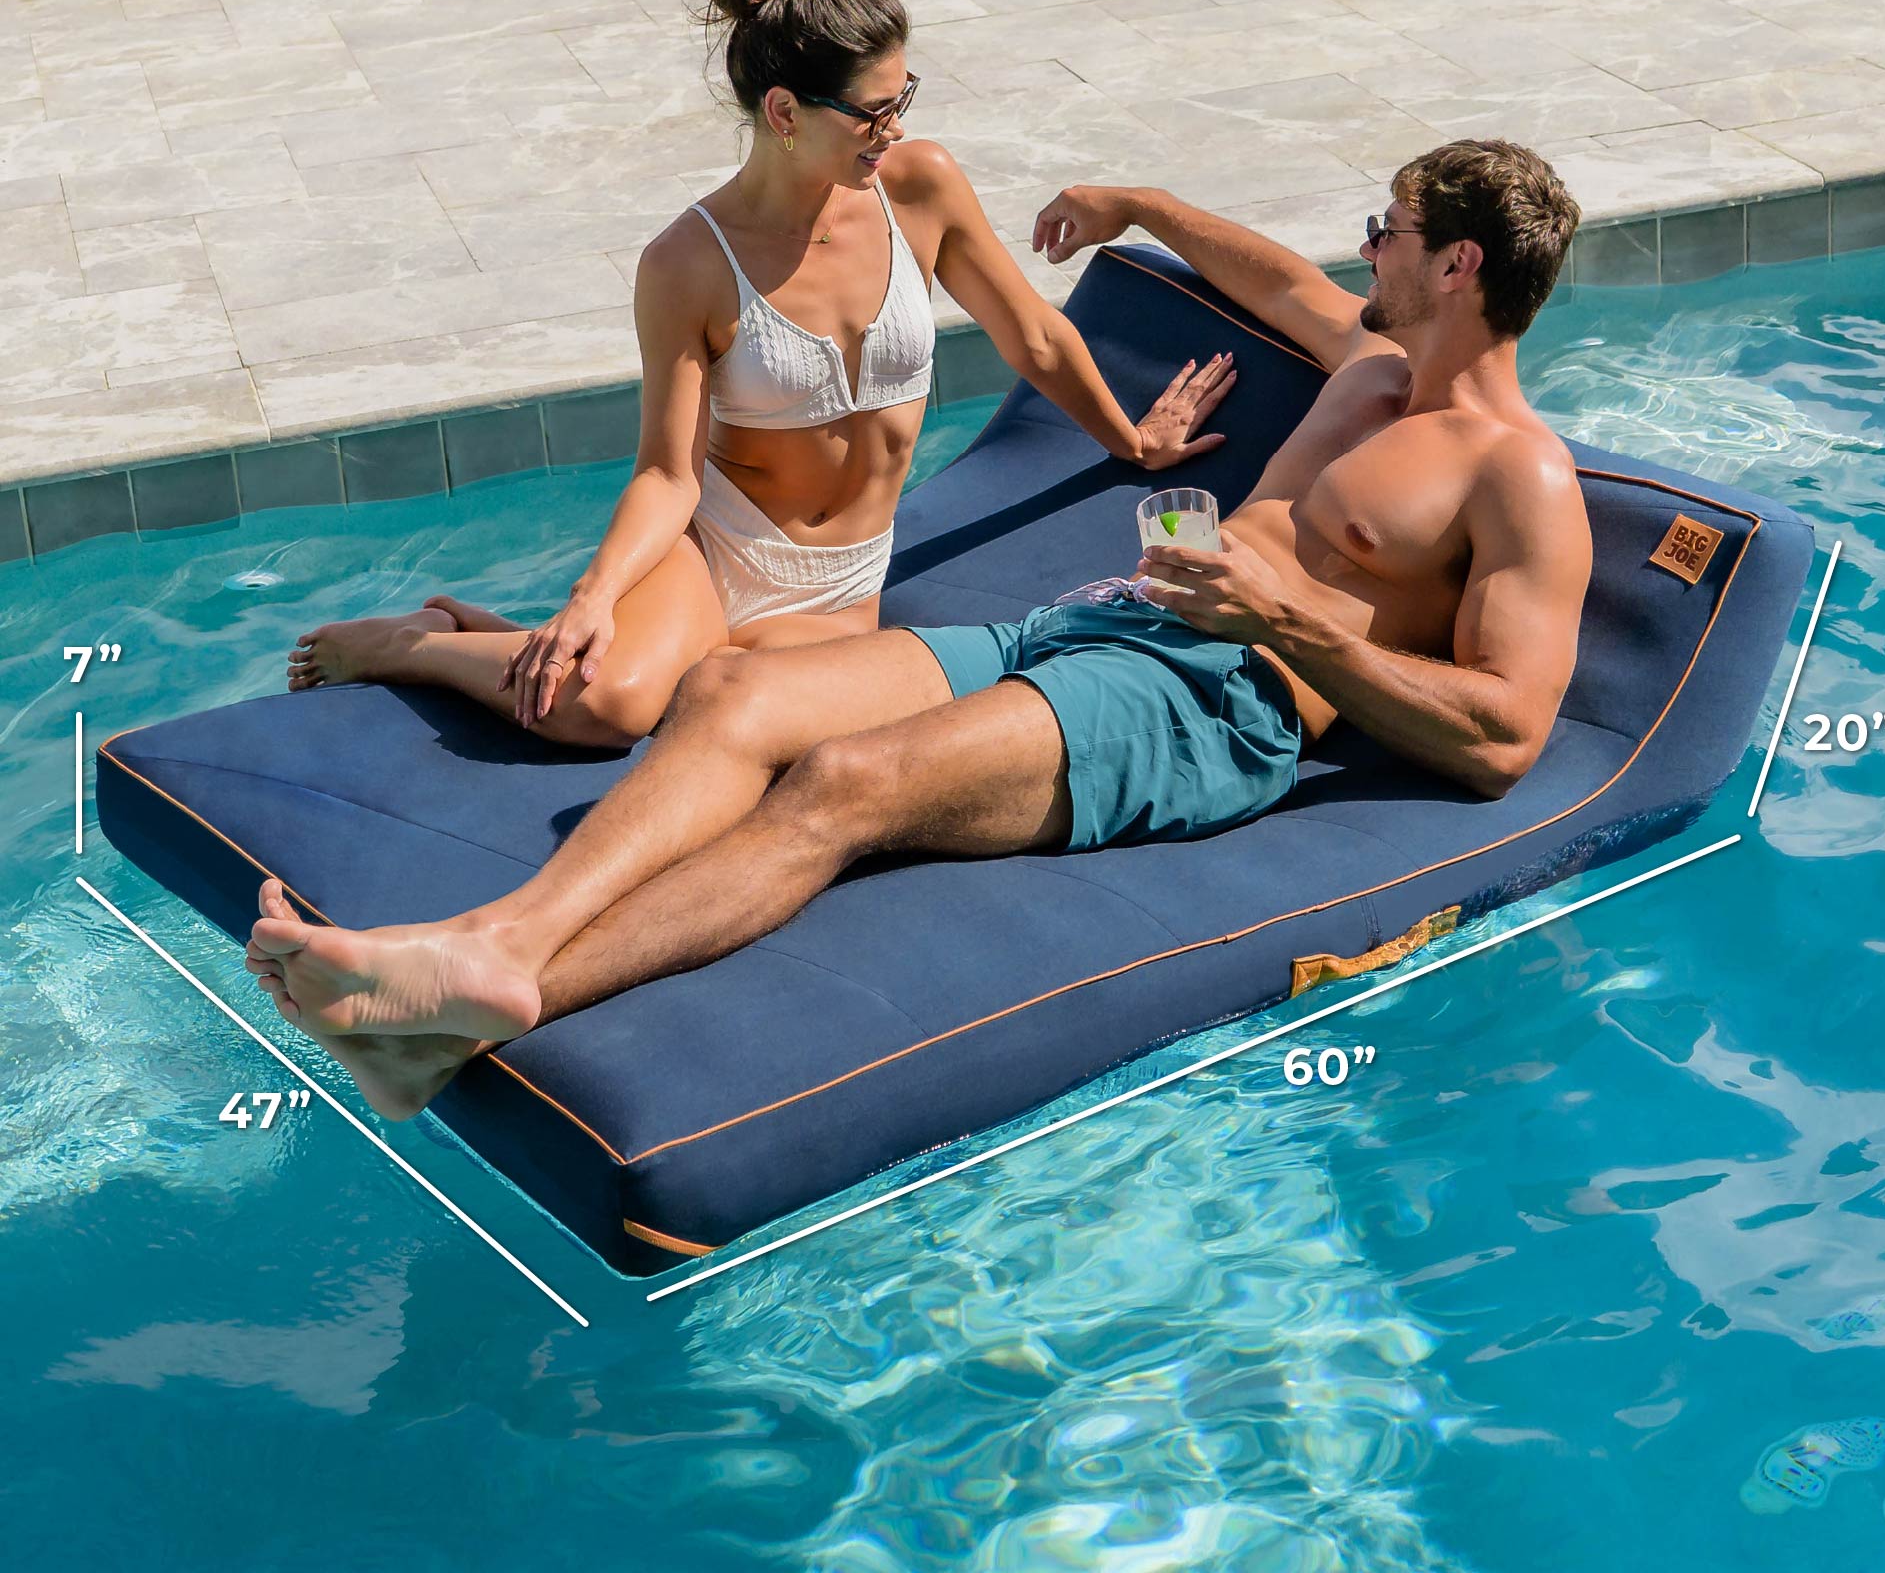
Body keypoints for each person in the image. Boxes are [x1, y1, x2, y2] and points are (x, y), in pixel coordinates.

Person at [247, 138, 1592, 1123]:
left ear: (1459, 264)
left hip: (1215, 703)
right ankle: (494, 945)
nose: (1364, 246)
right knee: (729, 694)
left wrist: (1299, 624)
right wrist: (1140, 202)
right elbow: (1272, 275)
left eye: (1390, 227)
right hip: (1096, 624)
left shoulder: (1516, 474)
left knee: (843, 786)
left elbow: (1507, 737)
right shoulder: (1372, 360)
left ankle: (479, 1006)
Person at [283, 0, 1233, 746]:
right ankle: (415, 644)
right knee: (601, 709)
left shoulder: (920, 187)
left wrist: (1132, 438)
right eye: (872, 110)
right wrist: (594, 593)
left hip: (845, 583)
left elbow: (1032, 334)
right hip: (723, 550)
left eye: (905, 99)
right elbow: (666, 473)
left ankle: (475, 625)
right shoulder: (689, 263)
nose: (894, 128)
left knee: (731, 714)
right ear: (783, 112)